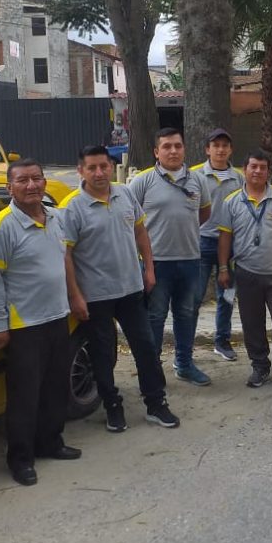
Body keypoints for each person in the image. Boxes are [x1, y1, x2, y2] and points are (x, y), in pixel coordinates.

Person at [61, 146, 180, 432]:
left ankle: (156, 403)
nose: (99, 172)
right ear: (81, 171)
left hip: (131, 290)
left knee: (146, 348)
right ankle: (112, 406)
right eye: (92, 167)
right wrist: (75, 295)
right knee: (103, 355)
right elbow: (65, 255)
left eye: (104, 166)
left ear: (110, 167)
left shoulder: (125, 194)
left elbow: (141, 231)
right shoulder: (72, 208)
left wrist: (149, 269)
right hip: (96, 296)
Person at [0, 158, 81, 487]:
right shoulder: (1, 226)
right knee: (25, 396)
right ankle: (20, 459)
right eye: (22, 180)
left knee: (55, 388)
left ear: (45, 183)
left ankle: (51, 442)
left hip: (56, 316)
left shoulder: (55, 217)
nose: (31, 185)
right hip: (24, 325)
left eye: (37, 178)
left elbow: (62, 260)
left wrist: (72, 298)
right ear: (9, 187)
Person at [217, 149, 272, 397]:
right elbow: (225, 237)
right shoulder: (232, 202)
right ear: (244, 170)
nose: (258, 171)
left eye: (263, 167)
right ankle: (259, 367)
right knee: (252, 324)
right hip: (247, 274)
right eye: (253, 166)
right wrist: (223, 267)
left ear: (268, 171)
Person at [129, 128, 213, 386]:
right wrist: (145, 262)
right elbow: (130, 221)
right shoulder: (142, 182)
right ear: (157, 152)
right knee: (155, 317)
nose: (173, 151)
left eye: (177, 146)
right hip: (156, 264)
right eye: (166, 146)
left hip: (190, 261)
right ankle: (152, 370)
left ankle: (184, 364)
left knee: (186, 314)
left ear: (184, 149)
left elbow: (204, 213)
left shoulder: (197, 180)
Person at [190, 128, 245, 361]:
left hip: (230, 246)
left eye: (225, 145)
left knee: (227, 296)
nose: (220, 150)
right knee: (194, 297)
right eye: (216, 145)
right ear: (207, 149)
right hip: (201, 243)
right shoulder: (193, 175)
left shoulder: (239, 177)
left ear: (230, 149)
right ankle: (186, 346)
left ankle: (222, 341)